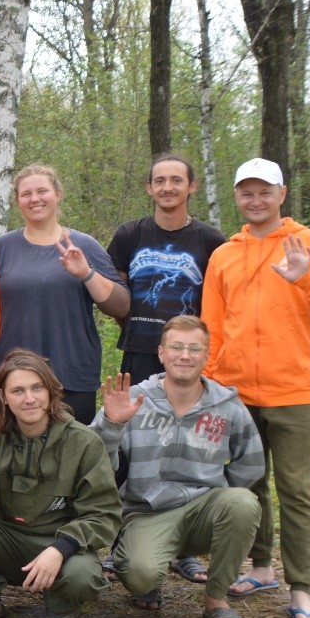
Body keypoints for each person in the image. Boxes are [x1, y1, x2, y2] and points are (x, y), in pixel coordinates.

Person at [202, 157, 310, 618]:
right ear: (237, 197)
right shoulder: (224, 254)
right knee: (247, 486)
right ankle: (260, 569)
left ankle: (302, 590)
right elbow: (211, 324)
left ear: (282, 194)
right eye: (247, 193)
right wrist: (211, 384)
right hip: (235, 392)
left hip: (292, 390)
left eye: (264, 192)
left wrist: (305, 278)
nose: (256, 201)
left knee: (295, 490)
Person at [91, 316, 264, 618]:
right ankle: (144, 572)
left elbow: (251, 462)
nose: (185, 355)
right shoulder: (134, 399)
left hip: (204, 508)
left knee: (242, 504)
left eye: (194, 348)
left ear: (206, 355)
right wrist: (113, 427)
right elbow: (95, 465)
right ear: (161, 353)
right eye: (177, 347)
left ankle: (216, 600)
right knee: (140, 574)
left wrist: (222, 497)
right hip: (147, 512)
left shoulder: (227, 405)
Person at [106, 153, 226, 586]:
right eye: (160, 180)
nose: (168, 187)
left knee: (187, 449)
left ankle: (185, 549)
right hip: (140, 352)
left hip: (190, 359)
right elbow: (115, 294)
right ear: (149, 187)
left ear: (191, 187)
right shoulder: (129, 234)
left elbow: (221, 299)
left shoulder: (212, 240)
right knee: (132, 448)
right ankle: (124, 538)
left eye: (177, 180)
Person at [0, 350, 121, 618]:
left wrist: (60, 549)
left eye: (37, 387)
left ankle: (59, 601)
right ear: (3, 396)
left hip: (60, 545)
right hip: (7, 540)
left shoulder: (84, 442)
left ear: (50, 391)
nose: (29, 398)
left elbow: (103, 515)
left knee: (82, 576)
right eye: (18, 390)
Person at [0, 164, 128, 424]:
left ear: (58, 194)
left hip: (69, 376)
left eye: (42, 191)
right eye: (26, 194)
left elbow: (121, 307)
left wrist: (87, 273)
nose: (35, 199)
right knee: (9, 461)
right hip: (9, 380)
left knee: (70, 459)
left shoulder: (84, 246)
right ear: (17, 201)